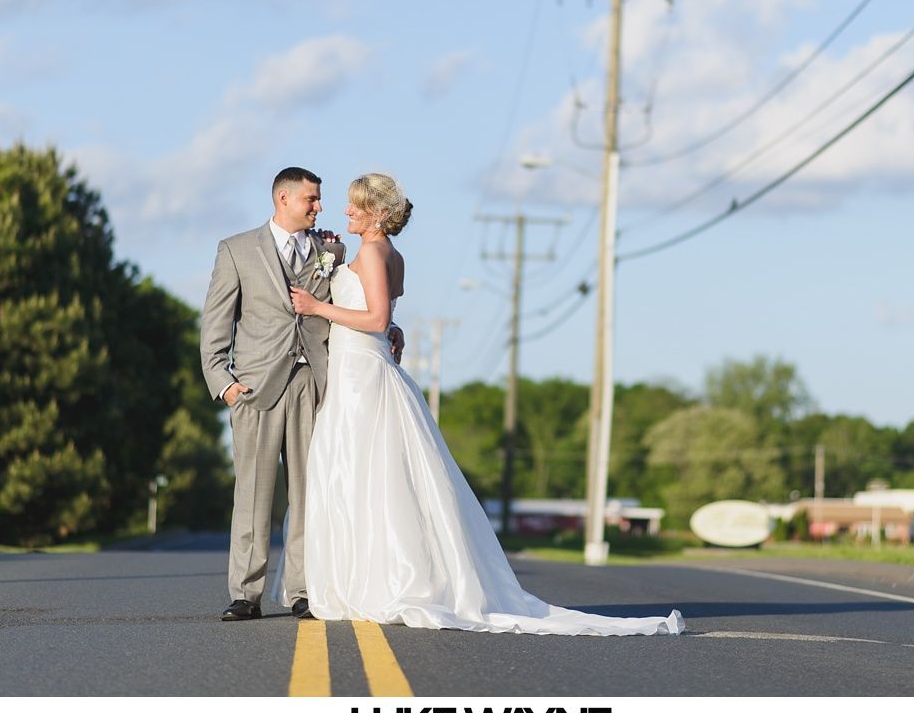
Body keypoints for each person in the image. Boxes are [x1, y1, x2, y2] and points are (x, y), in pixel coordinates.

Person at [289, 173, 683, 635]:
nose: (348, 211)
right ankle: (375, 575)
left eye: (356, 205)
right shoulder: (389, 254)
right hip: (366, 369)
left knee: (362, 476)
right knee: (376, 479)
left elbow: (375, 319)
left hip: (362, 377)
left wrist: (318, 309)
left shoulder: (375, 253)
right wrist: (389, 328)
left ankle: (377, 581)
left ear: (377, 213)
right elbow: (390, 321)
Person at [199, 167, 402, 622]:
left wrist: (391, 325)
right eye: (311, 199)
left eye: (319, 199)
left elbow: (362, 306)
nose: (319, 207)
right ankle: (245, 594)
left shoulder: (331, 249)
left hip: (315, 382)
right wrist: (224, 383)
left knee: (311, 492)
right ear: (284, 199)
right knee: (253, 494)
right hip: (255, 387)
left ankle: (303, 590)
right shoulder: (236, 249)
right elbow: (215, 322)